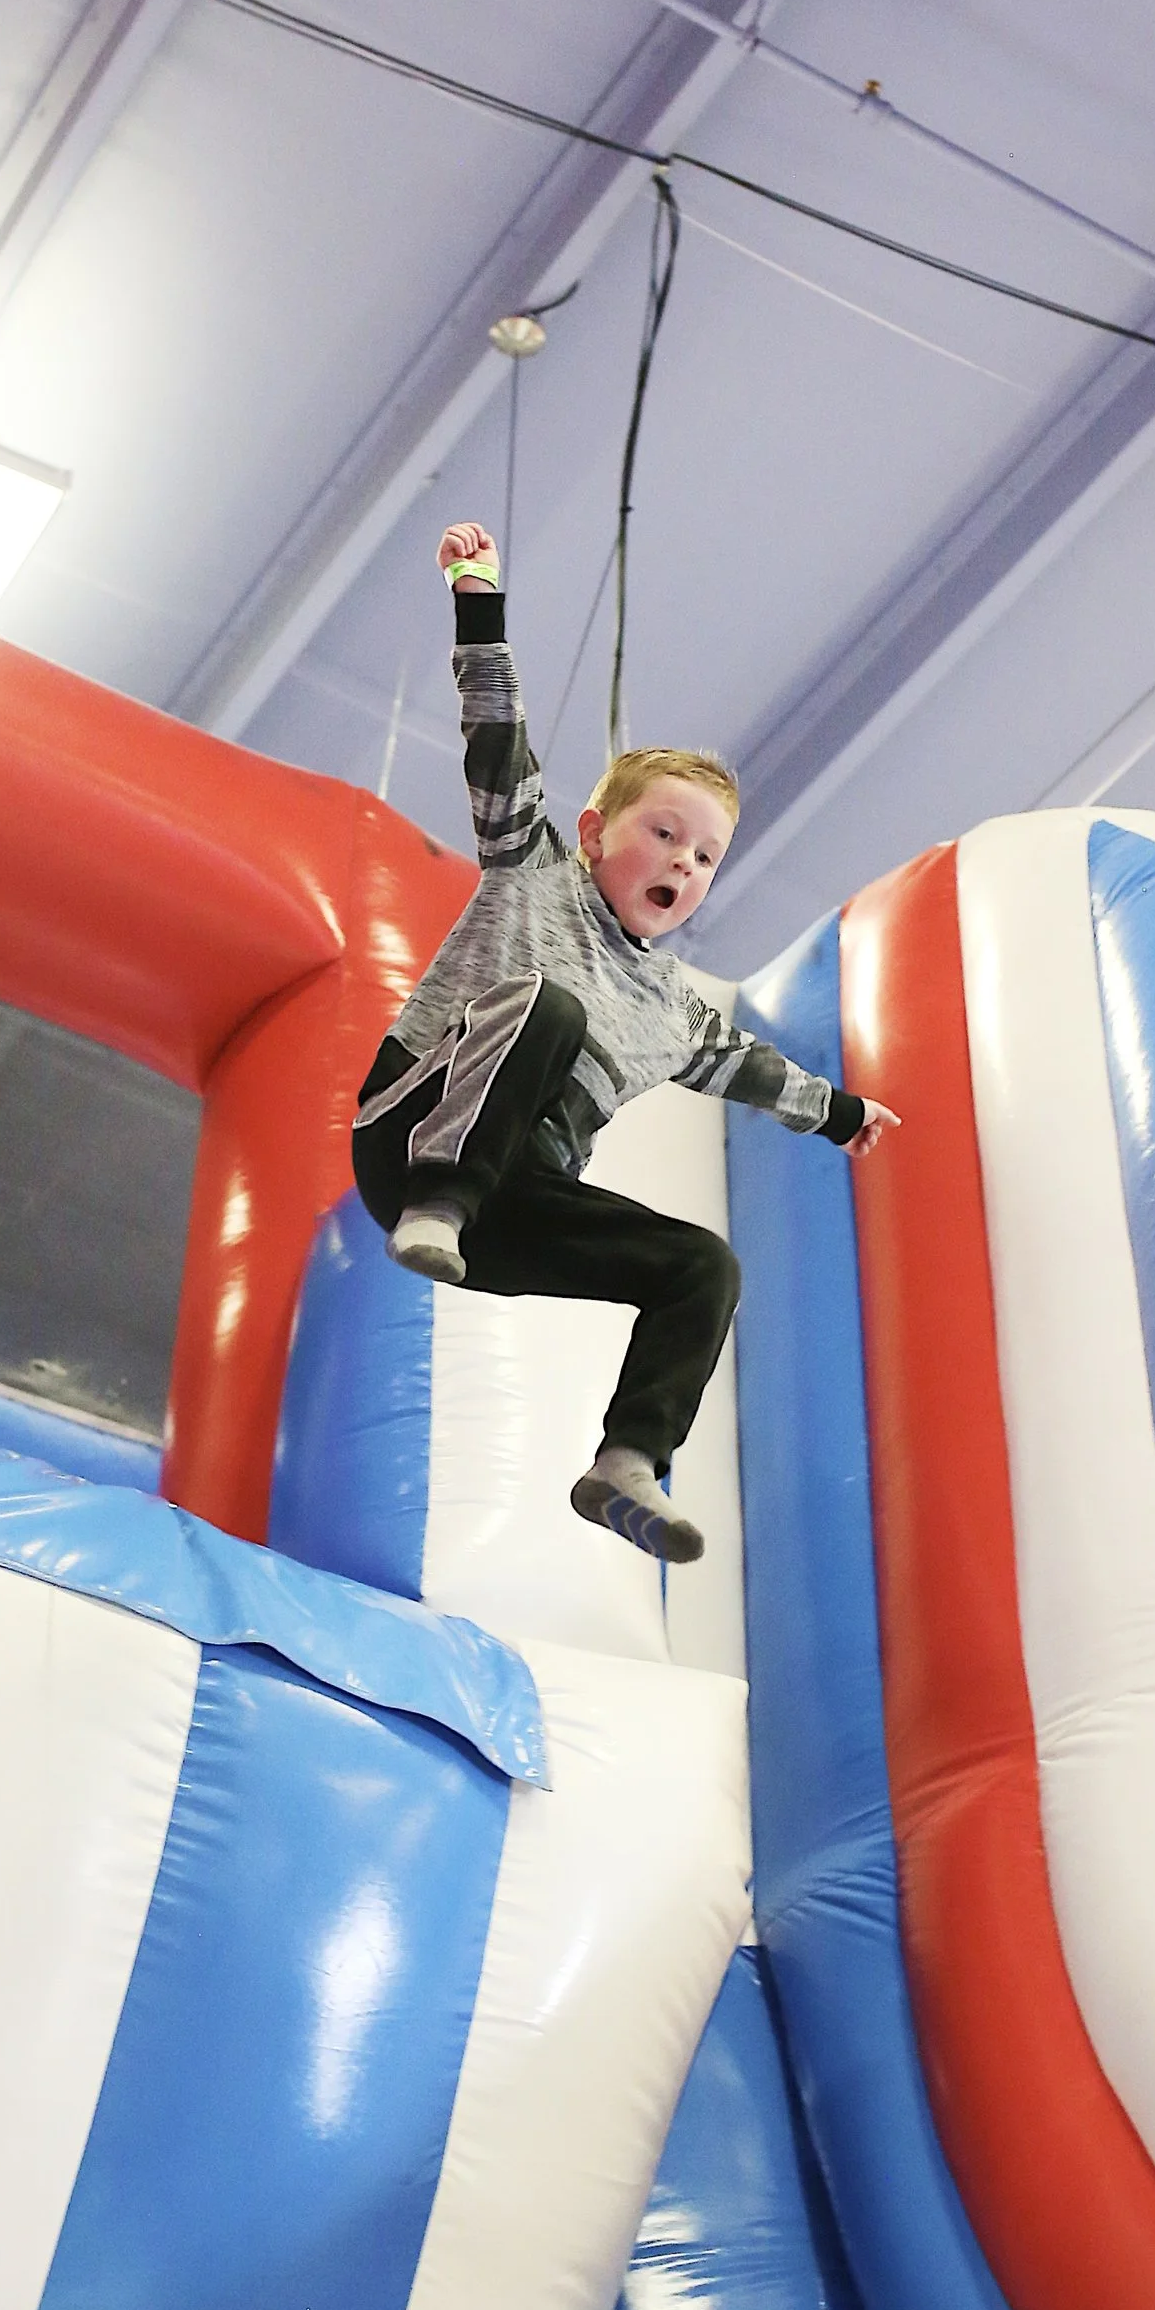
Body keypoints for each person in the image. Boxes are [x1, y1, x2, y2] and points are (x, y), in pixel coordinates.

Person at [353, 519, 897, 1565]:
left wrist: (838, 1114)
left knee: (702, 1264)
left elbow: (753, 1071)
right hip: (411, 1141)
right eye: (665, 834)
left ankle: (627, 1463)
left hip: (509, 1216)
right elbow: (495, 729)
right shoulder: (532, 870)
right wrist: (477, 595)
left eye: (705, 858)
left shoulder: (674, 1011)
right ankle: (443, 1194)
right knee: (549, 1009)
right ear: (595, 835)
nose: (684, 864)